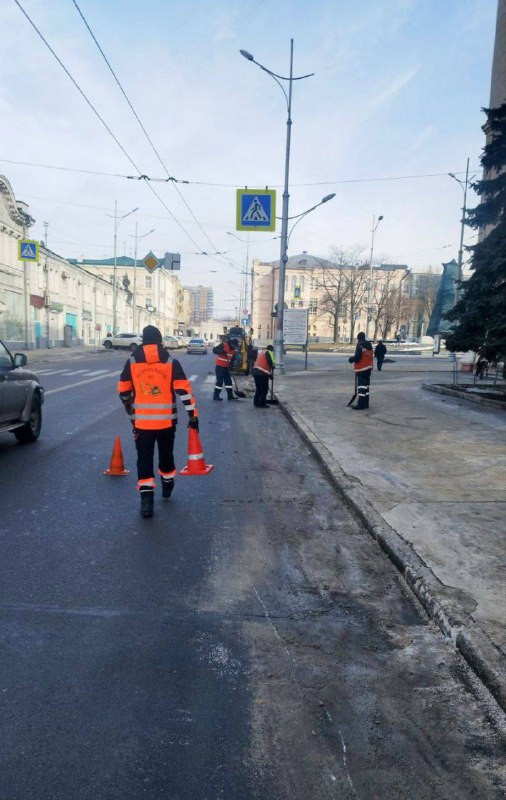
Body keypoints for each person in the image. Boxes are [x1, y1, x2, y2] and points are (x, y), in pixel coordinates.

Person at [118, 325, 199, 518]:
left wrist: (129, 406)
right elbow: (185, 393)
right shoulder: (171, 362)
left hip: (142, 424)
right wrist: (193, 416)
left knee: (144, 460)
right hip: (166, 423)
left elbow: (123, 391)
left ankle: (147, 502)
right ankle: (168, 483)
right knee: (166, 455)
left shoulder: (131, 362)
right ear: (160, 341)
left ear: (143, 341)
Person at [348, 331, 373, 410]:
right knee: (366, 387)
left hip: (361, 369)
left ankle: (360, 404)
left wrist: (351, 359)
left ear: (358, 338)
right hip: (368, 369)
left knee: (361, 387)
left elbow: (358, 357)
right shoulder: (369, 345)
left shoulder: (360, 345)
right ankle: (366, 403)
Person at [212, 336, 239, 401]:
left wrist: (231, 367)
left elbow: (232, 359)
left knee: (229, 381)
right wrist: (221, 351)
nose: (234, 347)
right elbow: (214, 350)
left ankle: (230, 396)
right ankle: (216, 396)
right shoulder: (224, 345)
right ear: (231, 343)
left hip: (226, 368)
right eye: (234, 346)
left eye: (235, 347)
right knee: (220, 382)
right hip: (219, 367)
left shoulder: (233, 350)